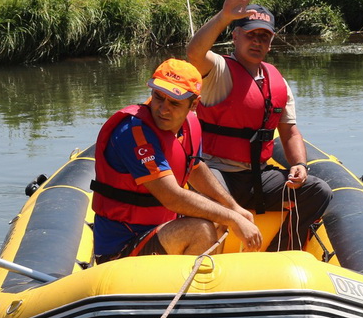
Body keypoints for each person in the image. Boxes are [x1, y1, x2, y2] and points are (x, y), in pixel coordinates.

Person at [187, 0, 333, 251]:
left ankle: (280, 252)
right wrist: (224, 16)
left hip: (257, 177)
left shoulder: (277, 80)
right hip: (215, 172)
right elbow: (194, 52)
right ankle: (212, 263)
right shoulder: (218, 70)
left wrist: (299, 165)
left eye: (263, 37)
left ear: (270, 42)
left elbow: (289, 131)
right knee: (213, 202)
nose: (257, 42)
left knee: (318, 190)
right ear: (236, 36)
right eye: (250, 35)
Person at [90, 58, 261, 263]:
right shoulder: (133, 133)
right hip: (121, 248)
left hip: (158, 230)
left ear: (194, 104)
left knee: (218, 217)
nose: (163, 109)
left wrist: (233, 208)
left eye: (174, 102)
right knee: (201, 229)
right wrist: (231, 217)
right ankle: (196, 293)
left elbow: (195, 168)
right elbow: (172, 197)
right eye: (158, 97)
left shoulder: (190, 125)